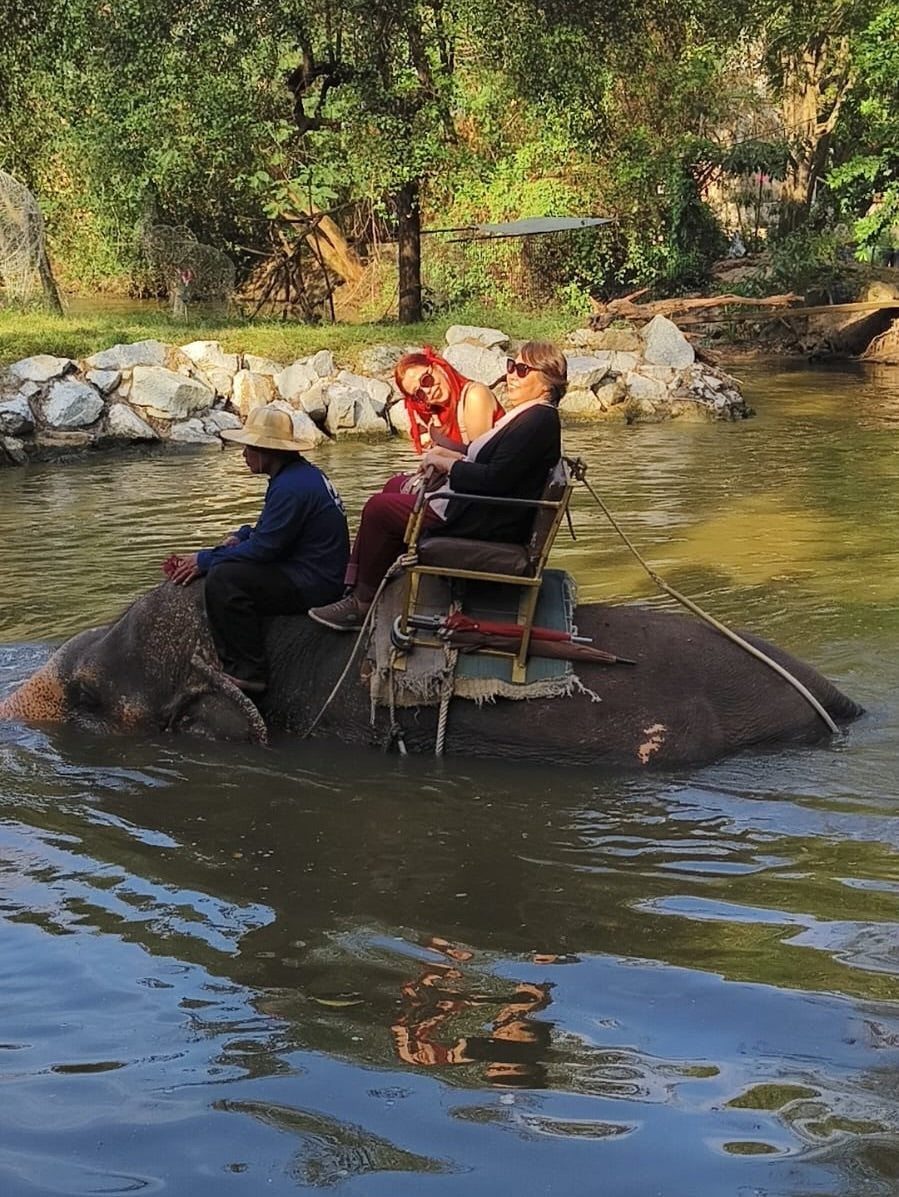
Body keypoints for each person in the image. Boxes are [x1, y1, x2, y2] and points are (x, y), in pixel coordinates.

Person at [308, 340, 566, 632]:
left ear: (548, 380)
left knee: (378, 509)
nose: (511, 375)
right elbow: (496, 467)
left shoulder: (537, 420)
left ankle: (362, 603)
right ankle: (370, 584)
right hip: (482, 505)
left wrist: (448, 465)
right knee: (394, 486)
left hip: (484, 516)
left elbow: (494, 479)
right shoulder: (532, 416)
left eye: (521, 370)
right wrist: (448, 456)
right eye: (510, 366)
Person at [165, 405, 349, 693]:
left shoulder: (290, 487)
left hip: (314, 582)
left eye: (249, 448)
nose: (244, 454)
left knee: (225, 579)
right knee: (228, 563)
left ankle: (247, 671)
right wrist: (241, 535)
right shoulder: (297, 476)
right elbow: (273, 529)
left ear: (267, 451)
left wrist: (206, 560)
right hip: (316, 569)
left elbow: (265, 549)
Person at [395, 346, 502, 455]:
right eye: (419, 393)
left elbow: (478, 458)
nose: (427, 391)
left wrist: (442, 459)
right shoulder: (435, 412)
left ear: (437, 367)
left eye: (425, 380)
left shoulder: (474, 396)